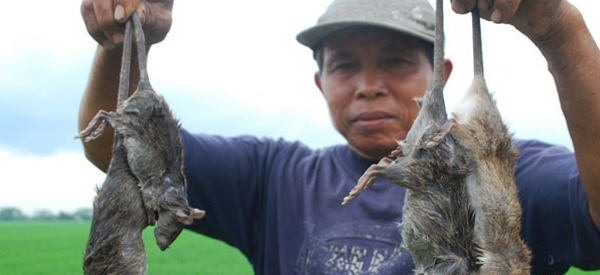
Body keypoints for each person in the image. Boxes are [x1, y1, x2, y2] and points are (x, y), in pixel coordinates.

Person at [79, 0, 600, 274]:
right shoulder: (273, 178)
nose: (369, 86)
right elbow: (115, 149)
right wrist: (119, 41)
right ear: (320, 82)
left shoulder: (502, 173)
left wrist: (560, 31)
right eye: (345, 66)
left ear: (440, 73)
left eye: (395, 62)